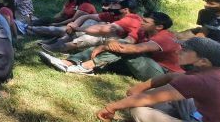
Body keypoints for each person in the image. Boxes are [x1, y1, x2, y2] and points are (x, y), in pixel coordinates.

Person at [97, 37, 220, 122]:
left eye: (185, 50)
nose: (178, 52)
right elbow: (172, 76)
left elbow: (148, 98)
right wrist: (140, 87)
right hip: (210, 120)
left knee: (139, 111)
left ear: (203, 62)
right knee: (163, 99)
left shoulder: (197, 80)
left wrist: (111, 107)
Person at [41, 12, 181, 81]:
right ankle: (68, 62)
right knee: (117, 50)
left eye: (146, 21)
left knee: (124, 49)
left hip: (163, 75)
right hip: (144, 65)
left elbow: (134, 49)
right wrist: (110, 43)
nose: (142, 22)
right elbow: (128, 42)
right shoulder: (143, 30)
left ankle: (85, 67)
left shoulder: (165, 37)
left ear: (159, 26)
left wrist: (103, 47)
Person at [40, 0, 123, 52]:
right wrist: (74, 25)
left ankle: (61, 45)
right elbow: (87, 16)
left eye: (114, 4)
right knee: (91, 21)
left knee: (93, 35)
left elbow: (102, 29)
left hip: (114, 41)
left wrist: (76, 28)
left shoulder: (127, 19)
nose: (111, 6)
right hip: (99, 33)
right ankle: (59, 41)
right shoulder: (111, 14)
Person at [27, 0, 96, 36]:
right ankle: (27, 26)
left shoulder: (86, 5)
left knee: (52, 27)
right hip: (66, 20)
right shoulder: (71, 2)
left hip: (76, 25)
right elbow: (61, 13)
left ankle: (29, 28)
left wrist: (56, 24)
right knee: (46, 19)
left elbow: (73, 20)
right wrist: (53, 20)